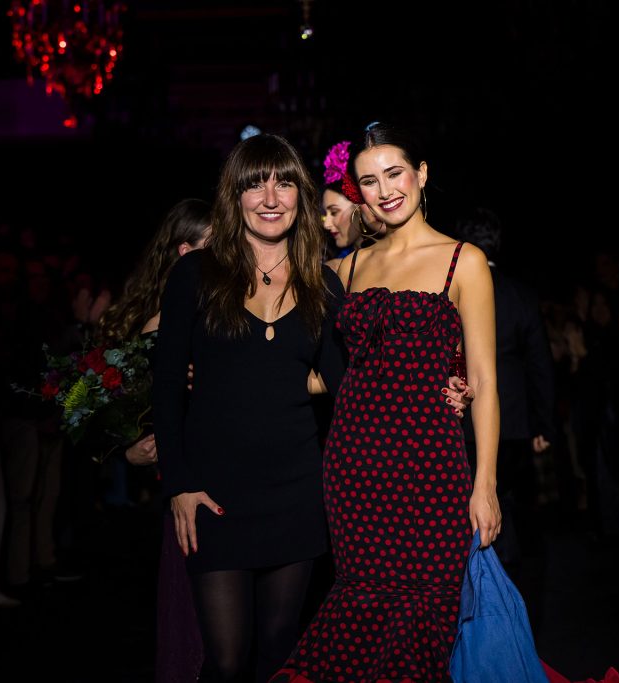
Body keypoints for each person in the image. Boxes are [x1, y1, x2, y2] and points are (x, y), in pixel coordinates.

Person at [153, 133, 472, 683]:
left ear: (301, 196)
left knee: (281, 653)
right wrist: (178, 483)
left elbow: (356, 384)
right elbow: (162, 386)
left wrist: (440, 390)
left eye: (283, 183)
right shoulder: (195, 276)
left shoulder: (322, 284)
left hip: (300, 494)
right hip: (216, 498)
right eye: (255, 184)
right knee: (226, 660)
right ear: (235, 196)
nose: (270, 197)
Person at [275, 121, 502, 683]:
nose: (385, 190)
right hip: (355, 467)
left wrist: (486, 482)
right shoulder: (346, 268)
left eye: (394, 173)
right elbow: (307, 367)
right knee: (361, 606)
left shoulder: (463, 261)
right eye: (369, 181)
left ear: (422, 175)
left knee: (426, 615)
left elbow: (484, 379)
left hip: (431, 467)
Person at [95, 197, 212, 683]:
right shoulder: (161, 325)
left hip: (229, 479)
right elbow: (126, 411)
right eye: (214, 246)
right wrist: (132, 448)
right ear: (186, 252)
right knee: (195, 621)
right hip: (191, 487)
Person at [454, 207, 555, 574]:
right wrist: (542, 424)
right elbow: (540, 365)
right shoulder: (520, 295)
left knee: (466, 504)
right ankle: (501, 579)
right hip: (512, 421)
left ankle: (482, 585)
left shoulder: (453, 288)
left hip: (463, 419)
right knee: (506, 502)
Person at [320, 140, 384, 270]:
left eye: (334, 212)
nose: (326, 224)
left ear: (360, 204)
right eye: (324, 214)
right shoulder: (333, 264)